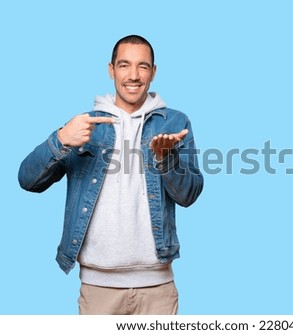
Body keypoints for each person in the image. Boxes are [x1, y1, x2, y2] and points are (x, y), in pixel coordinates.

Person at [18, 35, 203, 315]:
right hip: (97, 288)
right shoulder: (85, 124)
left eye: (143, 66)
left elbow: (189, 194)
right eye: (124, 65)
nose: (133, 75)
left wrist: (166, 160)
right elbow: (28, 180)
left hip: (158, 288)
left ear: (153, 72)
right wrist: (60, 140)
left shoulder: (176, 122)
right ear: (111, 69)